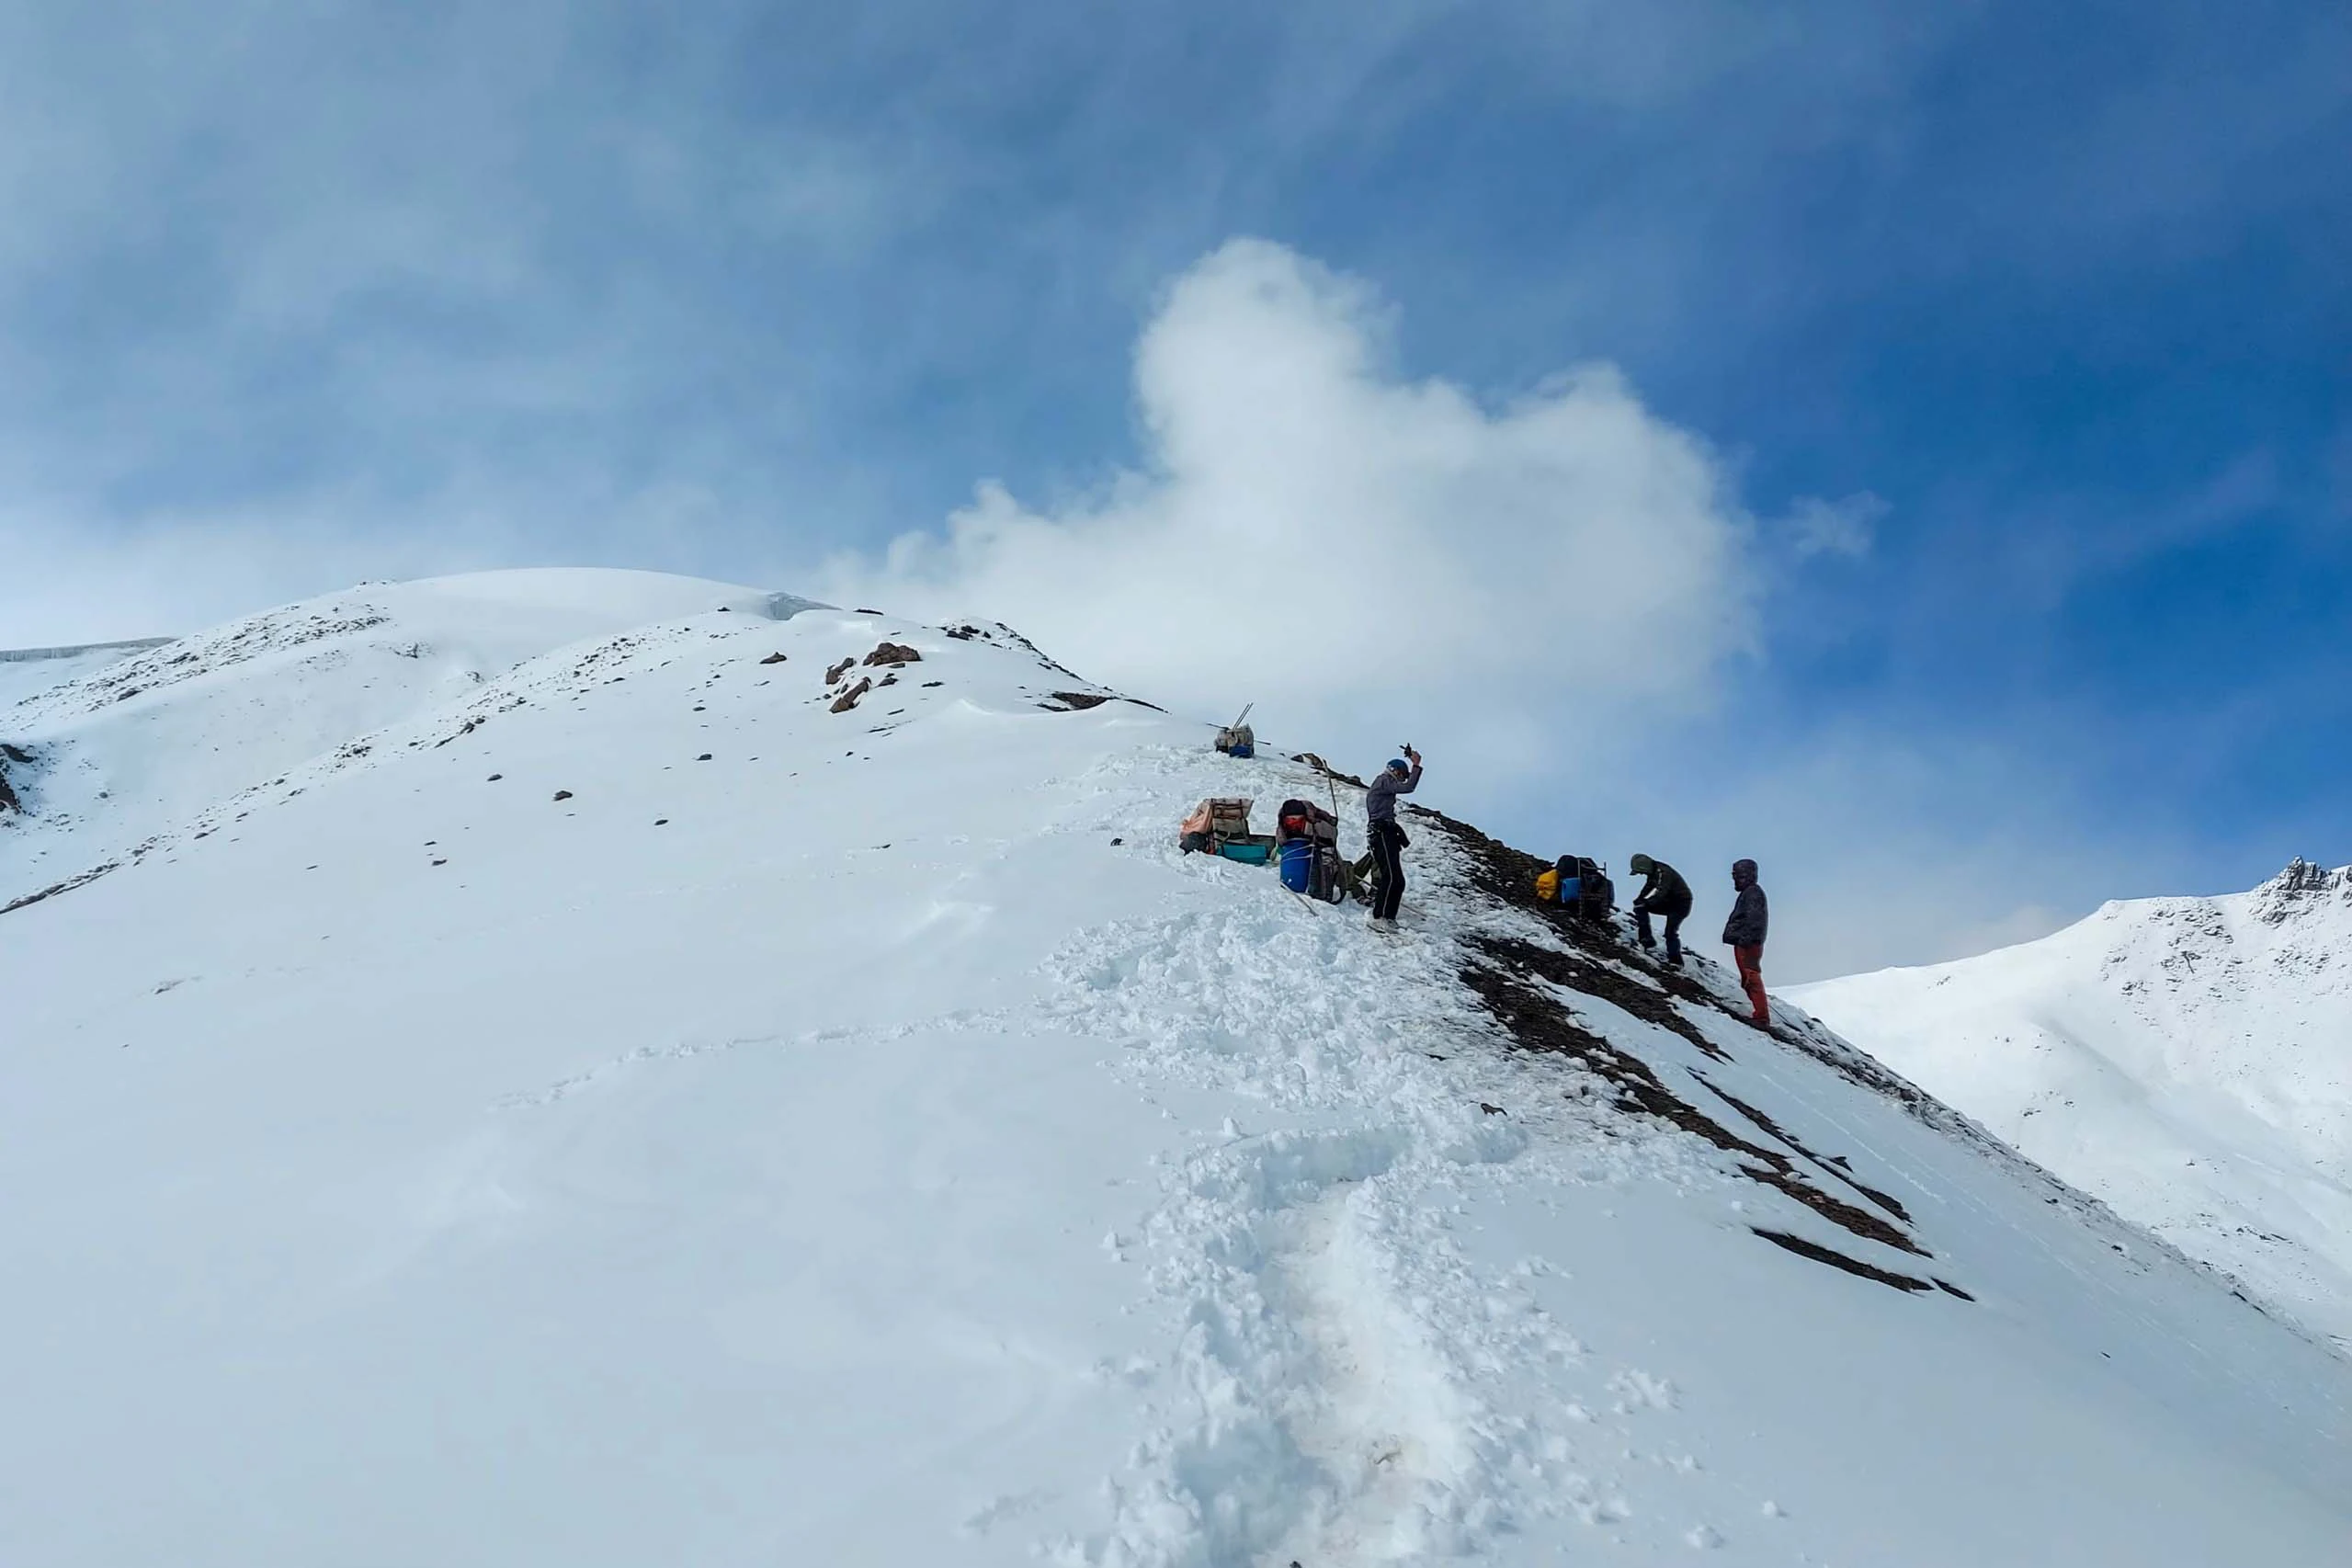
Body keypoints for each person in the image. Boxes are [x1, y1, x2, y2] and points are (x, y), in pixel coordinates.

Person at [1363, 746, 1422, 930]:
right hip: (1381, 832)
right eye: (1402, 775)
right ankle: (1378, 916)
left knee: (1397, 879)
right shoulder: (1383, 781)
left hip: (1386, 832)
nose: (1402, 779)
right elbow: (1409, 787)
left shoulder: (1384, 784)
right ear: (1395, 771)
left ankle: (1388, 917)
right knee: (1391, 876)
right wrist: (1416, 765)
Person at [1721, 858, 1770, 1025]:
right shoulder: (1750, 893)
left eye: (1739, 875)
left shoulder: (1753, 893)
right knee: (1749, 976)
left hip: (1748, 943)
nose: (1735, 879)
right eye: (1734, 875)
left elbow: (1754, 919)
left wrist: (1745, 939)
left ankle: (1761, 1016)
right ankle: (1759, 1013)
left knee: (1751, 976)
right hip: (1746, 941)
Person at [1628, 853, 1693, 967]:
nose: (1642, 874)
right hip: (1670, 902)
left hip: (1681, 904)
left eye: (1641, 872)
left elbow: (1662, 891)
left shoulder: (1663, 872)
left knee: (1670, 932)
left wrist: (1646, 902)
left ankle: (1676, 962)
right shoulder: (1654, 871)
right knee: (1640, 908)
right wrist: (1639, 900)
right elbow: (1649, 887)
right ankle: (1647, 940)